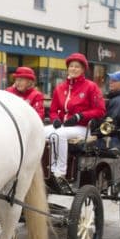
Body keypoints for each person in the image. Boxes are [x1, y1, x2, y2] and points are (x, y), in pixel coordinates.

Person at [44, 52, 106, 194]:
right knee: (40, 132)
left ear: (83, 69)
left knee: (57, 134)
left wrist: (80, 116)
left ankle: (59, 172)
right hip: (63, 126)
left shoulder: (91, 87)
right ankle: (42, 167)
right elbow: (53, 110)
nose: (73, 69)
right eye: (71, 66)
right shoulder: (60, 87)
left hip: (82, 127)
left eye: (77, 67)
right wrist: (55, 120)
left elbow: (100, 110)